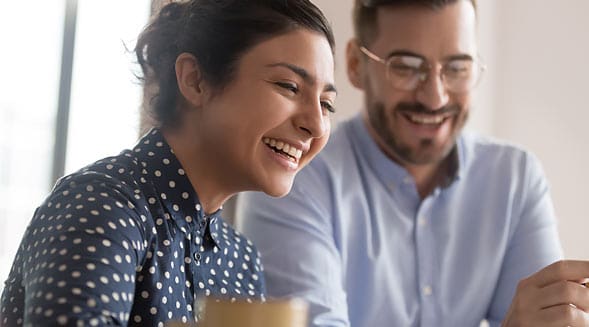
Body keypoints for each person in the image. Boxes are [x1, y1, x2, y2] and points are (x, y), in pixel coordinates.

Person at [236, 0, 589, 326]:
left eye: (456, 68)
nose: (435, 97)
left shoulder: (514, 179)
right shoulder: (291, 175)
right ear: (357, 66)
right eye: (406, 67)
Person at [0, 0, 337, 325]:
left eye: (326, 104)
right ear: (194, 79)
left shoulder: (240, 259)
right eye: (288, 86)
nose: (317, 125)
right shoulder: (104, 204)